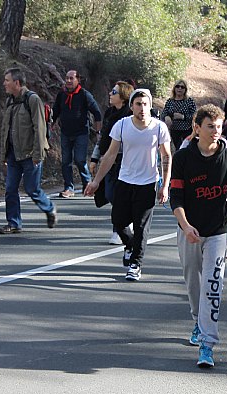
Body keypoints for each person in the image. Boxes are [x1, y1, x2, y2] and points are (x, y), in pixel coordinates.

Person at [170, 104, 227, 368]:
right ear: (196, 128)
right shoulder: (183, 158)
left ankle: (207, 345)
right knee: (193, 280)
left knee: (214, 284)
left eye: (218, 127)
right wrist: (186, 226)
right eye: (210, 126)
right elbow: (175, 197)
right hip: (189, 231)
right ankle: (197, 322)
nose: (215, 131)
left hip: (217, 233)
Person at [84, 89, 172, 281]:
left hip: (148, 183)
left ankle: (135, 264)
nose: (142, 108)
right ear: (131, 106)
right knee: (119, 221)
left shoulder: (159, 128)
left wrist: (165, 186)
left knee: (141, 226)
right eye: (138, 104)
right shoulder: (122, 126)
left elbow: (166, 156)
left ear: (150, 106)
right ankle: (130, 245)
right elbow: (110, 155)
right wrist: (96, 181)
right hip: (125, 180)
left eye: (145, 104)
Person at [0, 68, 57, 234]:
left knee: (32, 189)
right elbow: (5, 130)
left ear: (17, 83)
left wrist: (38, 154)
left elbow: (39, 128)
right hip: (13, 154)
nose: (4, 83)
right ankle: (14, 223)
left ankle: (49, 209)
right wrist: (4, 154)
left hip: (30, 154)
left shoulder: (32, 100)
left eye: (7, 80)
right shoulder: (10, 101)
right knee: (10, 189)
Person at [90, 81, 134, 245]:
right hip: (108, 160)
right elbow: (102, 139)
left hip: (124, 161)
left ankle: (119, 229)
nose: (110, 94)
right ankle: (124, 222)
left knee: (119, 195)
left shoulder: (129, 116)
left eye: (114, 92)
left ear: (123, 97)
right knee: (109, 194)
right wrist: (95, 158)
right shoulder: (109, 113)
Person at [52, 70, 102, 198]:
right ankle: (68, 188)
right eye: (67, 78)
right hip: (65, 132)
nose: (68, 81)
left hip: (81, 133)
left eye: (71, 78)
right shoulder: (61, 95)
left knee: (80, 160)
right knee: (65, 161)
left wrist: (98, 132)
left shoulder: (84, 95)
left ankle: (87, 184)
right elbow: (55, 111)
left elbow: (96, 112)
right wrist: (50, 127)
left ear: (78, 80)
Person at [160, 79, 197, 150]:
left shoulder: (189, 101)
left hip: (187, 131)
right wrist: (166, 117)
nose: (179, 89)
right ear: (174, 88)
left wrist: (183, 117)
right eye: (177, 86)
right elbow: (164, 113)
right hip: (174, 130)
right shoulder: (170, 101)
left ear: (185, 89)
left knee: (185, 150)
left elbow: (195, 116)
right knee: (177, 150)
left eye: (182, 87)